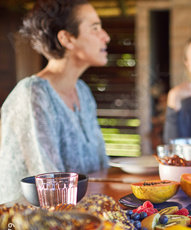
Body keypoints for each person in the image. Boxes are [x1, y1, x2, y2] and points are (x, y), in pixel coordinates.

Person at [0, 0, 110, 204]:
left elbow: (101, 166)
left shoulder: (83, 92)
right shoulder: (32, 94)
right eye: (95, 28)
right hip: (27, 227)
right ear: (67, 38)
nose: (106, 37)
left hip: (81, 210)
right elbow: (50, 189)